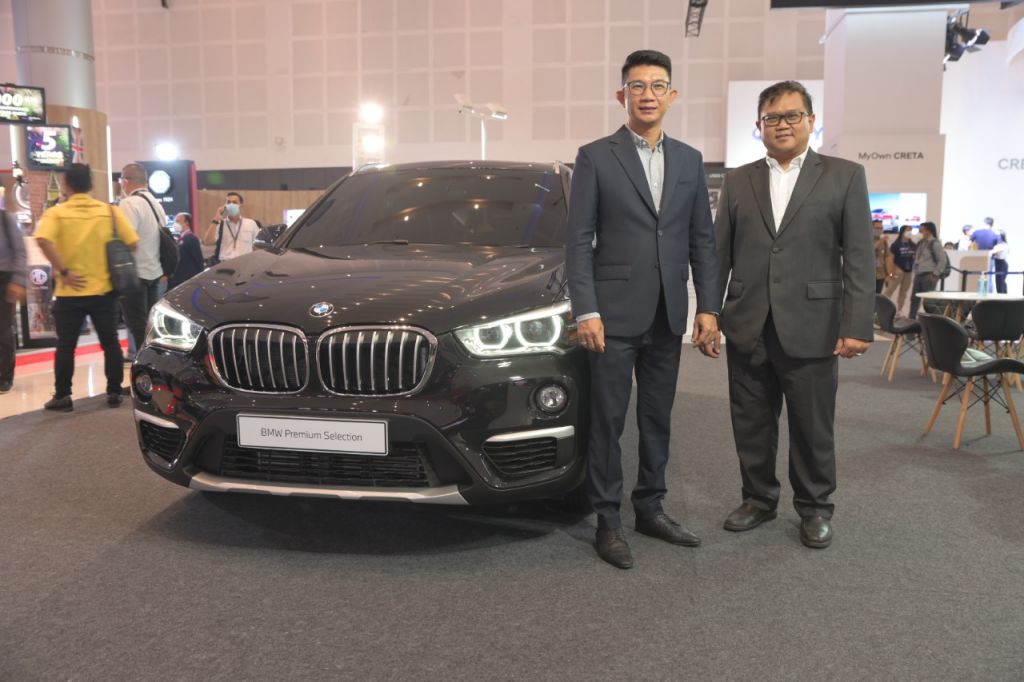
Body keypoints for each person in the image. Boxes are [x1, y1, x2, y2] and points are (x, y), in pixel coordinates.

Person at [565, 49, 720, 569]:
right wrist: (586, 310)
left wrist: (708, 308)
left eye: (657, 86)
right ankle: (607, 521)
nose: (647, 94)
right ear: (621, 95)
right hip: (611, 315)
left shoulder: (690, 160)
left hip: (668, 312)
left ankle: (650, 508)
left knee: (657, 417)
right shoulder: (595, 156)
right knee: (607, 421)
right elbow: (578, 240)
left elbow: (702, 241)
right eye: (637, 86)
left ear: (672, 95)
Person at [712, 80, 873, 550]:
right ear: (758, 125)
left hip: (813, 325)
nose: (782, 124)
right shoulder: (738, 180)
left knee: (812, 425)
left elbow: (859, 256)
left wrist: (857, 324)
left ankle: (815, 507)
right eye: (772, 117)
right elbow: (719, 254)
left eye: (792, 115)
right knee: (751, 421)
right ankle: (758, 499)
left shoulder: (845, 176)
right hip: (748, 322)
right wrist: (708, 312)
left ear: (811, 121)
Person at [34, 163, 139, 411]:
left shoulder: (56, 213)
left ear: (67, 185)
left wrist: (64, 270)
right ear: (91, 185)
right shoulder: (109, 212)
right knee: (110, 343)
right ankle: (114, 392)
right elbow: (133, 243)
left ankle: (63, 396)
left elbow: (43, 239)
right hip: (104, 290)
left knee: (66, 345)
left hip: (69, 292)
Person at [117, 162, 167, 357]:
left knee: (136, 325)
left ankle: (143, 364)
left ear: (126, 181)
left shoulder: (129, 203)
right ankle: (153, 361)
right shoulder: (156, 204)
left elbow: (127, 239)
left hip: (135, 274)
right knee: (150, 326)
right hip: (155, 272)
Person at [0, 210, 27, 393]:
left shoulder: (4, 218)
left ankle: (4, 377)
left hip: (4, 278)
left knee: (3, 330)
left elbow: (20, 251)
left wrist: (18, 280)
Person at [202, 191, 259, 262]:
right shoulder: (220, 223)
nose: (231, 204)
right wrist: (216, 218)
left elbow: (258, 245)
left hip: (245, 263)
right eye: (228, 202)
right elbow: (207, 242)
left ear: (241, 205)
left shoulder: (251, 223)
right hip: (225, 263)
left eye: (234, 202)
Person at [909, 221, 944, 319]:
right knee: (914, 299)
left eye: (922, 230)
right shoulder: (921, 243)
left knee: (929, 301)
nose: (920, 232)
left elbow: (942, 260)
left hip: (929, 275)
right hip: (918, 274)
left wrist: (935, 274)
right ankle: (911, 319)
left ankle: (930, 320)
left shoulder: (935, 243)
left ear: (928, 231)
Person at [883, 225, 917, 315]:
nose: (910, 232)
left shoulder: (913, 245)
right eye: (908, 230)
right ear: (902, 232)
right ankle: (882, 310)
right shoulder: (895, 245)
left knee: (903, 293)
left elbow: (915, 257)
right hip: (897, 270)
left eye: (911, 230)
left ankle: (899, 311)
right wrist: (890, 273)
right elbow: (890, 259)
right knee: (889, 291)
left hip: (908, 272)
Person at [167, 212, 205, 290]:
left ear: (186, 222)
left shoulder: (191, 239)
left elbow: (198, 260)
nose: (175, 224)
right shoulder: (180, 239)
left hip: (187, 281)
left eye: (178, 221)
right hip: (178, 281)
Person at [992, 229, 1009, 294]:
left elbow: (991, 252)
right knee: (1001, 282)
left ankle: (1002, 297)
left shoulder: (1000, 245)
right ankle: (1004, 296)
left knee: (1000, 282)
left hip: (1000, 264)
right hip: (1002, 263)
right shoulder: (1004, 244)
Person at [873, 220, 887, 294]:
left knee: (878, 295)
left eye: (881, 228)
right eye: (877, 228)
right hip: (869, 273)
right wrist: (880, 241)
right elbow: (869, 250)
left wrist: (888, 274)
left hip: (881, 274)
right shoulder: (866, 239)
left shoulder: (884, 242)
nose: (879, 230)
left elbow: (886, 257)